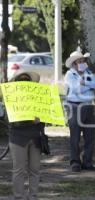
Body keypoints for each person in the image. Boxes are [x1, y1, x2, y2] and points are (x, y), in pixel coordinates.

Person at [7, 71, 44, 200]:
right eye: (21, 81)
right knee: (19, 170)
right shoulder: (10, 98)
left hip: (35, 137)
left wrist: (41, 119)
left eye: (27, 81)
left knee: (35, 169)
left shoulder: (38, 98)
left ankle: (33, 196)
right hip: (17, 138)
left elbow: (47, 115)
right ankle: (18, 197)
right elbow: (10, 118)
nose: (24, 83)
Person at [64, 50, 95, 172]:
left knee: (90, 136)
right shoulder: (70, 75)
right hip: (74, 107)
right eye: (80, 61)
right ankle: (75, 162)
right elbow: (75, 89)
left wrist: (84, 82)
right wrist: (88, 86)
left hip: (88, 106)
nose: (82, 63)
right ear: (74, 63)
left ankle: (87, 162)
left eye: (83, 61)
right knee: (75, 136)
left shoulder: (88, 72)